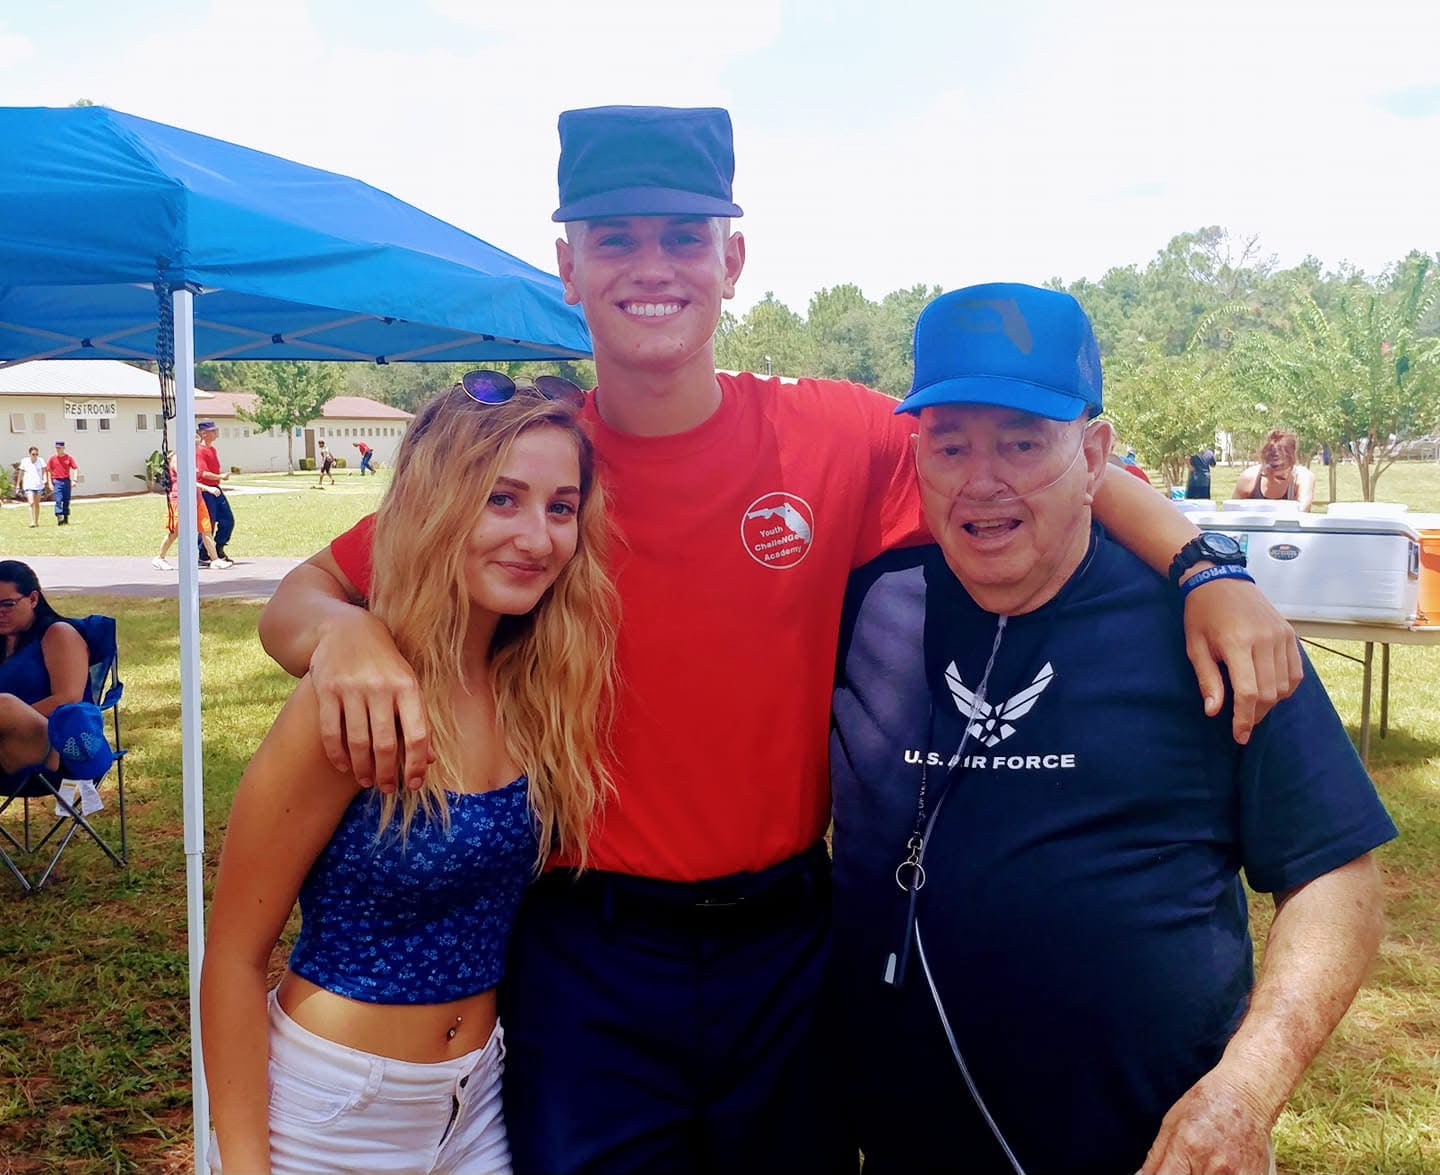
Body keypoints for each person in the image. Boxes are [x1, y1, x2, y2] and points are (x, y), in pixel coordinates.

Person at [258, 106, 1302, 1174]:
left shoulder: (832, 434)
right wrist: (344, 636)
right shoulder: (533, 464)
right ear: (568, 265)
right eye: (616, 238)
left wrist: (1203, 566)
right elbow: (297, 596)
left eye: (685, 236)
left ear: (733, 260)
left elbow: (1028, 457)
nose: (652, 266)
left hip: (787, 948)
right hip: (586, 946)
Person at [829, 284, 1395, 1175]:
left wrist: (1245, 1092)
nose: (983, 480)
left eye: (1022, 442)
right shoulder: (867, 610)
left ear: (1093, 454)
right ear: (917, 457)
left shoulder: (1210, 629)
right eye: (951, 445)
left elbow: (1338, 877)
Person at [200, 377, 617, 1174]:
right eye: (502, 499)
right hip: (331, 1116)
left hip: (478, 1107)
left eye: (561, 507)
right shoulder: (357, 693)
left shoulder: (534, 688)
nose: (537, 537)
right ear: (436, 504)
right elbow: (233, 960)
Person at [0, 560, 114, 790]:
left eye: (8, 604)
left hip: (57, 748)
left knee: (5, 705)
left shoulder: (58, 633)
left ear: (33, 599)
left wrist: (11, 717)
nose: (0, 612)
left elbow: (67, 699)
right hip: (5, 745)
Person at [155, 450, 231, 571]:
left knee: (206, 529)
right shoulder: (177, 459)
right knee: (175, 532)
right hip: (179, 499)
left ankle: (215, 560)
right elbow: (186, 480)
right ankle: (160, 558)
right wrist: (207, 488)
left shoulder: (191, 458)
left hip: (197, 499)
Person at [1235, 429, 1316, 510]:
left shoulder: (1303, 478)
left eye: (1280, 477)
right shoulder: (1249, 478)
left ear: (1291, 465)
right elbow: (1233, 511)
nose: (1272, 479)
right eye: (1267, 474)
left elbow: (1302, 510)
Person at [196, 420, 236, 565]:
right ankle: (203, 554)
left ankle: (219, 547)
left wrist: (219, 478)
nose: (215, 433)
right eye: (212, 431)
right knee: (208, 522)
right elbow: (203, 473)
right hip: (206, 490)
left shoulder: (212, 450)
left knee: (228, 519)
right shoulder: (199, 451)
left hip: (216, 489)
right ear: (203, 433)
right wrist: (220, 476)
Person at [46, 440, 78, 525]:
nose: (58, 449)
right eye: (57, 448)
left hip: (66, 481)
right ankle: (59, 518)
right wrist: (50, 483)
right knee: (58, 500)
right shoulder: (52, 459)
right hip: (57, 481)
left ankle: (66, 517)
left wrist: (74, 480)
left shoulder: (68, 458)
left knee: (66, 500)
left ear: (63, 448)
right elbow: (48, 470)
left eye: (60, 448)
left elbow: (75, 468)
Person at [19, 445, 47, 528]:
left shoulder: (41, 461)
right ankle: (32, 522)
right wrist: (18, 485)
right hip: (28, 485)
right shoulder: (25, 461)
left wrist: (45, 479)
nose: (35, 456)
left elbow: (44, 471)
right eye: (33, 454)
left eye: (36, 454)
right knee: (31, 503)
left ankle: (36, 521)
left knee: (37, 504)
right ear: (30, 454)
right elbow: (21, 473)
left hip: (38, 485)